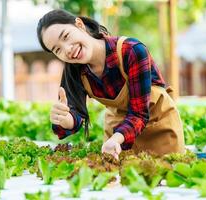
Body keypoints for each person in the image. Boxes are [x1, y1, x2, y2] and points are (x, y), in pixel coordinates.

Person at [37, 9, 185, 159]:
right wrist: (66, 120)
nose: (67, 49)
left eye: (66, 36)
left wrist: (116, 139)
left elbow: (139, 114)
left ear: (79, 24)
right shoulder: (74, 70)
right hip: (116, 140)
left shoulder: (132, 50)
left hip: (158, 129)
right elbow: (76, 115)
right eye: (57, 49)